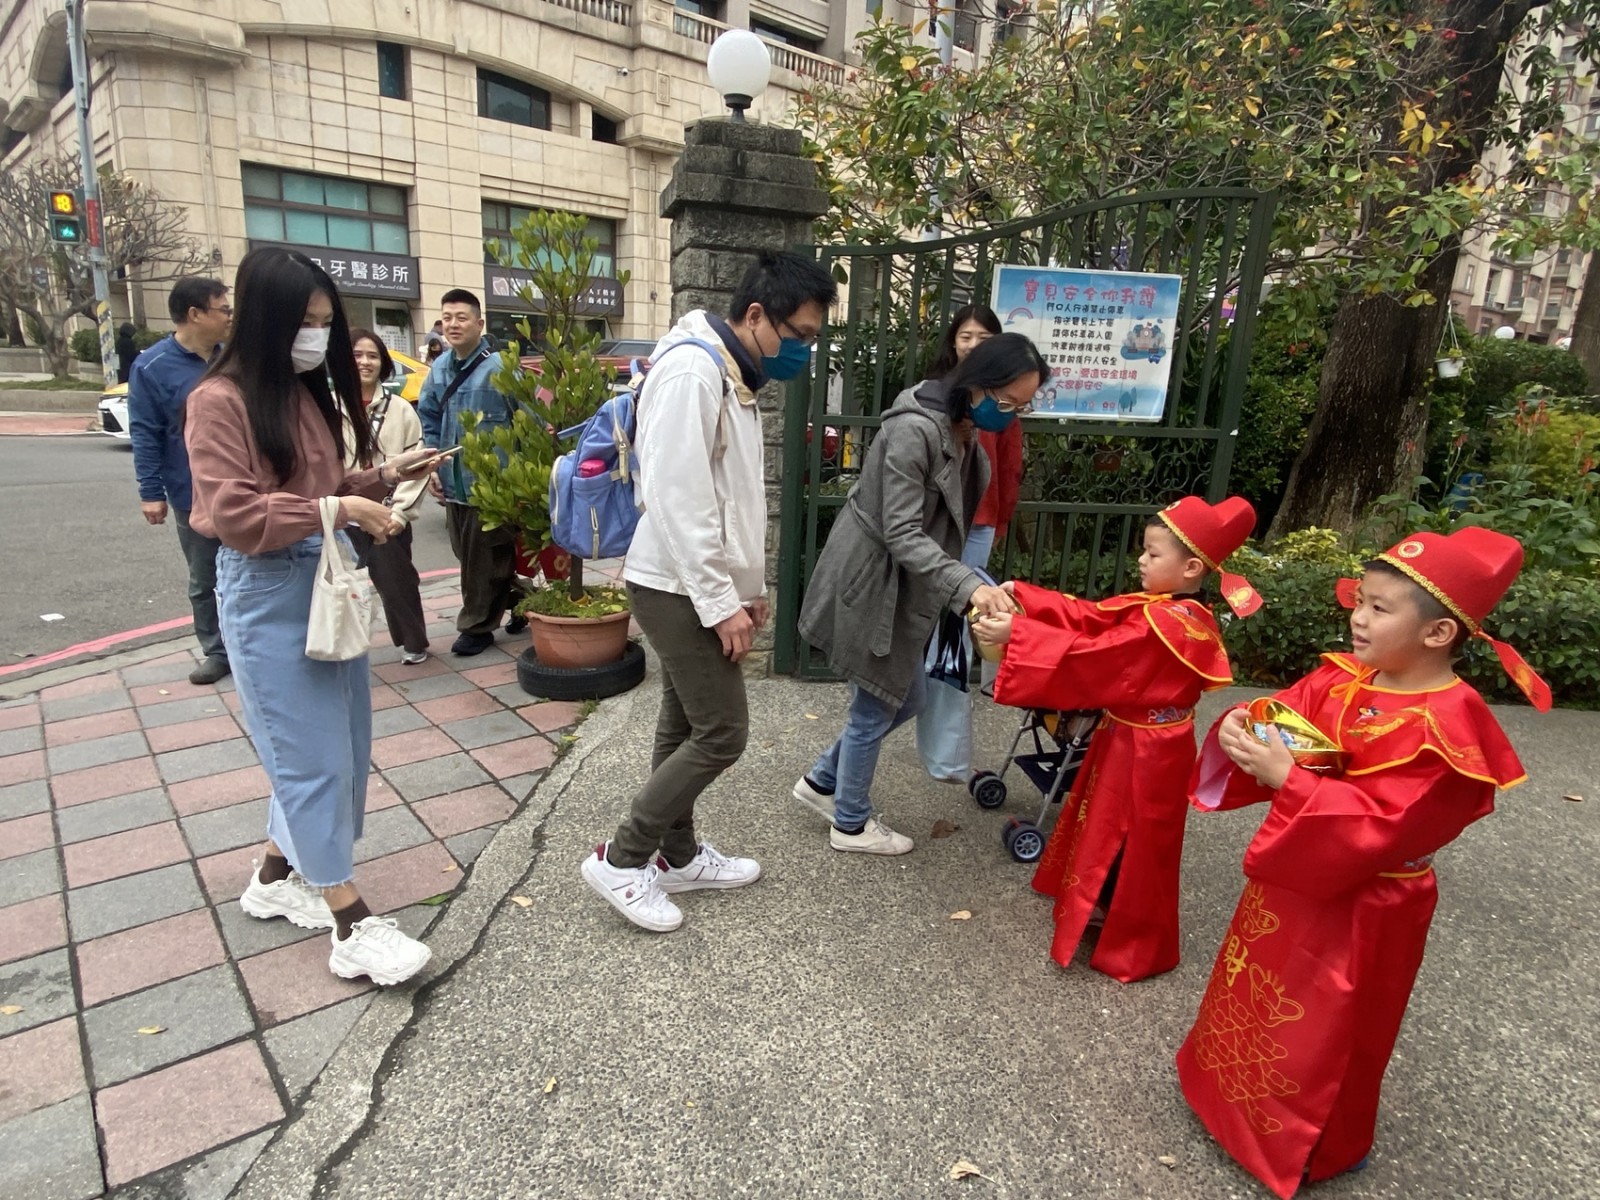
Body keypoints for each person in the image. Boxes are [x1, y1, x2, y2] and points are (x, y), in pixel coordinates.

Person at [1176, 527, 1550, 1197]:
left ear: (1438, 633)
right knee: (1258, 992)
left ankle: (1318, 1144)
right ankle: (1226, 1097)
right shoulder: (1347, 678)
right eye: (1361, 601)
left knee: (1332, 1026)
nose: (1358, 617)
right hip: (1297, 874)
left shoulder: (1449, 730)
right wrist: (1244, 721)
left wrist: (1289, 781)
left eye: (1380, 608)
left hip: (1369, 903)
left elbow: (1388, 826)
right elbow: (1286, 712)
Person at [185, 246, 447, 986]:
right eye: (306, 320)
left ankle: (274, 877)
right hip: (267, 587)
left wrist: (383, 475)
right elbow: (237, 515)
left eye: (326, 321)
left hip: (322, 574)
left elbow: (319, 486)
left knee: (340, 743)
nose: (318, 336)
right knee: (310, 756)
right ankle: (349, 920)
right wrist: (342, 508)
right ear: (267, 319)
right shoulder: (217, 400)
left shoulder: (298, 391)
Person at [580, 251, 838, 933]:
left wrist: (748, 587)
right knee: (722, 732)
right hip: (675, 584)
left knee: (685, 723)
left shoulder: (732, 372)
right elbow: (678, 497)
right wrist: (722, 603)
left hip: (696, 582)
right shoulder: (694, 371)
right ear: (756, 315)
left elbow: (732, 498)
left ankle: (678, 855)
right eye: (800, 334)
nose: (804, 350)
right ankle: (622, 858)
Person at [971, 496, 1261, 982]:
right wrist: (1026, 597)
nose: (1141, 561)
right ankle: (1101, 905)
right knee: (1110, 825)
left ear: (1191, 567)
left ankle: (1133, 941)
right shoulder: (1160, 608)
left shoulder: (1174, 624)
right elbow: (1092, 617)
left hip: (1152, 750)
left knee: (1136, 838)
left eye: (1153, 553)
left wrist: (1019, 633)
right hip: (1132, 737)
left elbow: (1099, 653)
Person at [792, 333, 1040, 856]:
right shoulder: (914, 429)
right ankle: (850, 825)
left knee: (908, 697)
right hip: (875, 578)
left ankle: (821, 782)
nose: (1012, 415)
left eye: (1023, 406)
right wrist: (967, 585)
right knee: (878, 702)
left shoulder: (965, 424)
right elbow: (902, 531)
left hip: (906, 579)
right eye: (1008, 402)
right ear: (979, 384)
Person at [913, 303, 1023, 783]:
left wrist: (998, 521)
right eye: (965, 336)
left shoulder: (1002, 402)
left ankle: (947, 757)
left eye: (984, 337)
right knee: (921, 629)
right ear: (952, 341)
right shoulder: (935, 396)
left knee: (953, 632)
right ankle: (892, 724)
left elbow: (1010, 469)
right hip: (932, 528)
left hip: (976, 526)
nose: (973, 345)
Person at [127, 277, 233, 684]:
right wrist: (150, 492)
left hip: (242, 485)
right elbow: (146, 433)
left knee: (255, 567)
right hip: (192, 492)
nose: (230, 317)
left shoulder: (233, 358)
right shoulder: (152, 367)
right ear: (195, 314)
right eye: (223, 309)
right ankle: (217, 651)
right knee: (204, 577)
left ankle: (250, 641)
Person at [416, 289, 522, 655]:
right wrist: (432, 466)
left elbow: (528, 422)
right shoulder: (439, 369)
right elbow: (429, 418)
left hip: (493, 486)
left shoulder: (502, 368)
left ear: (480, 323)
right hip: (454, 482)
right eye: (447, 318)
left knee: (483, 560)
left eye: (461, 317)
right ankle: (523, 601)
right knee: (470, 556)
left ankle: (476, 627)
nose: (453, 324)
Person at [347, 329, 430, 666]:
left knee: (398, 582)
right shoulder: (328, 407)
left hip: (387, 511)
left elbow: (417, 464)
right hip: (342, 510)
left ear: (383, 363)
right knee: (336, 584)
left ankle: (413, 642)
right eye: (357, 355)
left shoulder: (401, 409)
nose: (365, 362)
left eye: (372, 356)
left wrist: (401, 513)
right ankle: (338, 645)